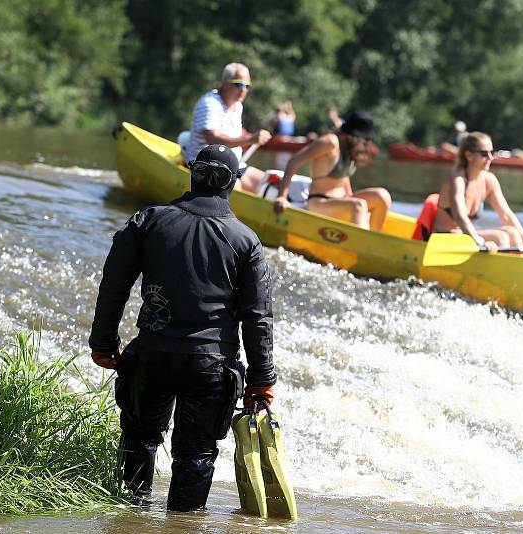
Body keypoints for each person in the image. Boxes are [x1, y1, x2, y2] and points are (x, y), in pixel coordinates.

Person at [88, 144, 276, 511]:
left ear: (191, 172)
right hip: (212, 366)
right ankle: (183, 522)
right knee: (196, 456)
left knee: (140, 440)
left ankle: (130, 518)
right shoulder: (245, 240)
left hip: (153, 354)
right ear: (233, 184)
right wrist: (261, 379)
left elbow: (113, 285)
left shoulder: (148, 220)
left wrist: (103, 341)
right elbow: (258, 316)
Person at [272, 110, 391, 230]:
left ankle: (374, 240)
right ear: (352, 135)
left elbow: (343, 176)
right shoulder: (330, 142)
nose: (366, 142)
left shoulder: (350, 148)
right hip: (319, 203)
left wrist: (349, 199)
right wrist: (282, 196)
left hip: (342, 201)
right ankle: (361, 245)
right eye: (364, 138)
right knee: (359, 205)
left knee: (382, 195)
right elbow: (294, 161)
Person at [431, 131, 523, 250]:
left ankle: (519, 263)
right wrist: (479, 242)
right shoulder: (457, 179)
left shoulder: (489, 180)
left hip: (466, 237)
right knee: (501, 238)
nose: (490, 157)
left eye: (492, 152)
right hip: (443, 240)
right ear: (469, 155)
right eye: (484, 153)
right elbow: (460, 216)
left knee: (513, 232)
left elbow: (506, 215)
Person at [184, 63, 272, 193]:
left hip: (233, 165)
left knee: (269, 184)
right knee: (236, 187)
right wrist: (249, 139)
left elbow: (234, 133)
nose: (243, 90)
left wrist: (253, 137)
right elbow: (213, 140)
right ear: (225, 83)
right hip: (207, 165)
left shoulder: (238, 106)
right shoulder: (209, 103)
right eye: (238, 84)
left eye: (247, 86)